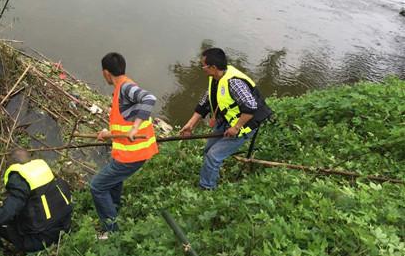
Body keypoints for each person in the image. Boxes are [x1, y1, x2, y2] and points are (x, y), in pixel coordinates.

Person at [180, 47, 272, 190]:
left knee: (213, 156)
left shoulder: (234, 83)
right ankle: (211, 176)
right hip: (226, 121)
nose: (202, 68)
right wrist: (190, 124)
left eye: (203, 65)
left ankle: (207, 189)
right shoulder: (216, 78)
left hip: (244, 124)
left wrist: (236, 128)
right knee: (208, 150)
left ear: (213, 67)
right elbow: (205, 102)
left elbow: (251, 107)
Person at [91, 52, 158, 237]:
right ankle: (114, 213)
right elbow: (123, 121)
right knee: (113, 183)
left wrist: (135, 128)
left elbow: (149, 98)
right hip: (127, 153)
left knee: (97, 187)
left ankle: (111, 232)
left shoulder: (126, 87)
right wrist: (107, 133)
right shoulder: (122, 86)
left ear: (106, 72)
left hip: (132, 155)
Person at [0, 149, 72, 254]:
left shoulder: (19, 178)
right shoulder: (42, 171)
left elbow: (8, 212)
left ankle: (4, 251)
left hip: (39, 240)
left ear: (12, 164)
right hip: (63, 228)